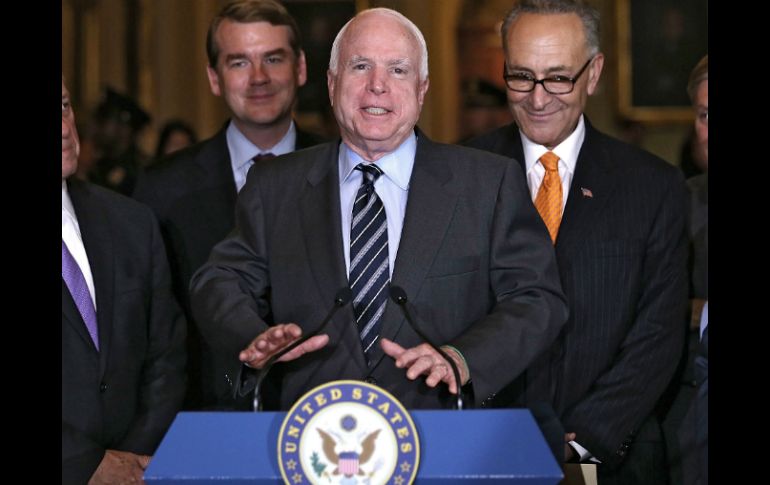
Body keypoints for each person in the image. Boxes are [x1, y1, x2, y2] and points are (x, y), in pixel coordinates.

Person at [190, 7, 568, 412]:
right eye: (361, 66)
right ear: (332, 83)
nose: (377, 86)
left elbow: (536, 298)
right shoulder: (274, 186)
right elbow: (219, 279)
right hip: (311, 439)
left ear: (422, 88)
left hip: (443, 434)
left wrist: (463, 358)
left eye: (398, 70)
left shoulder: (487, 184)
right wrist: (252, 335)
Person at [466, 1, 687, 483]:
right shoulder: (458, 176)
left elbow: (659, 333)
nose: (538, 98)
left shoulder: (653, 186)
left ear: (595, 73)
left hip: (615, 457)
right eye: (521, 76)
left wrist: (585, 441)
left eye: (558, 78)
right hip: (482, 452)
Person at [133, 0, 326, 410]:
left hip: (327, 409)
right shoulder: (161, 188)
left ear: (301, 68)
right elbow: (149, 326)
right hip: (206, 416)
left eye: (273, 58)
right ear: (214, 78)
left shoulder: (344, 168)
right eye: (238, 63)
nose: (259, 78)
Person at [62, 76, 186, 484]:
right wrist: (85, 464)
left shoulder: (131, 221)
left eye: (64, 106)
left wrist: (130, 461)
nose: (64, 127)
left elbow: (166, 354)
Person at [89, 87, 152, 196]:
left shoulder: (140, 171)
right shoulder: (99, 166)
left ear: (123, 128)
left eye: (103, 122)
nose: (96, 129)